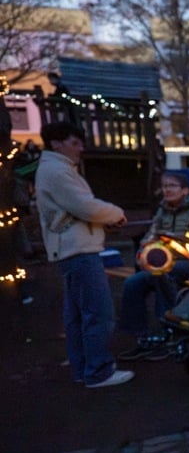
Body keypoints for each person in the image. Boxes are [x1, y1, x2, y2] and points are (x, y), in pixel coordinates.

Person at [33, 121, 134, 388]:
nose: (81, 148)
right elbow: (85, 206)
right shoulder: (58, 171)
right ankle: (98, 371)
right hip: (78, 249)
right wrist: (116, 213)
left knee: (78, 314)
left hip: (70, 248)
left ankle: (83, 368)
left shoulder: (55, 169)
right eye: (74, 142)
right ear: (57, 143)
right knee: (99, 312)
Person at [117, 172, 189, 352]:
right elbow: (151, 233)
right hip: (163, 263)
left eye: (172, 186)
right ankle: (139, 333)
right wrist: (146, 244)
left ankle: (166, 327)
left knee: (162, 274)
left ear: (185, 191)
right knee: (132, 283)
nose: (167, 189)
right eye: (165, 186)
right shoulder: (162, 210)